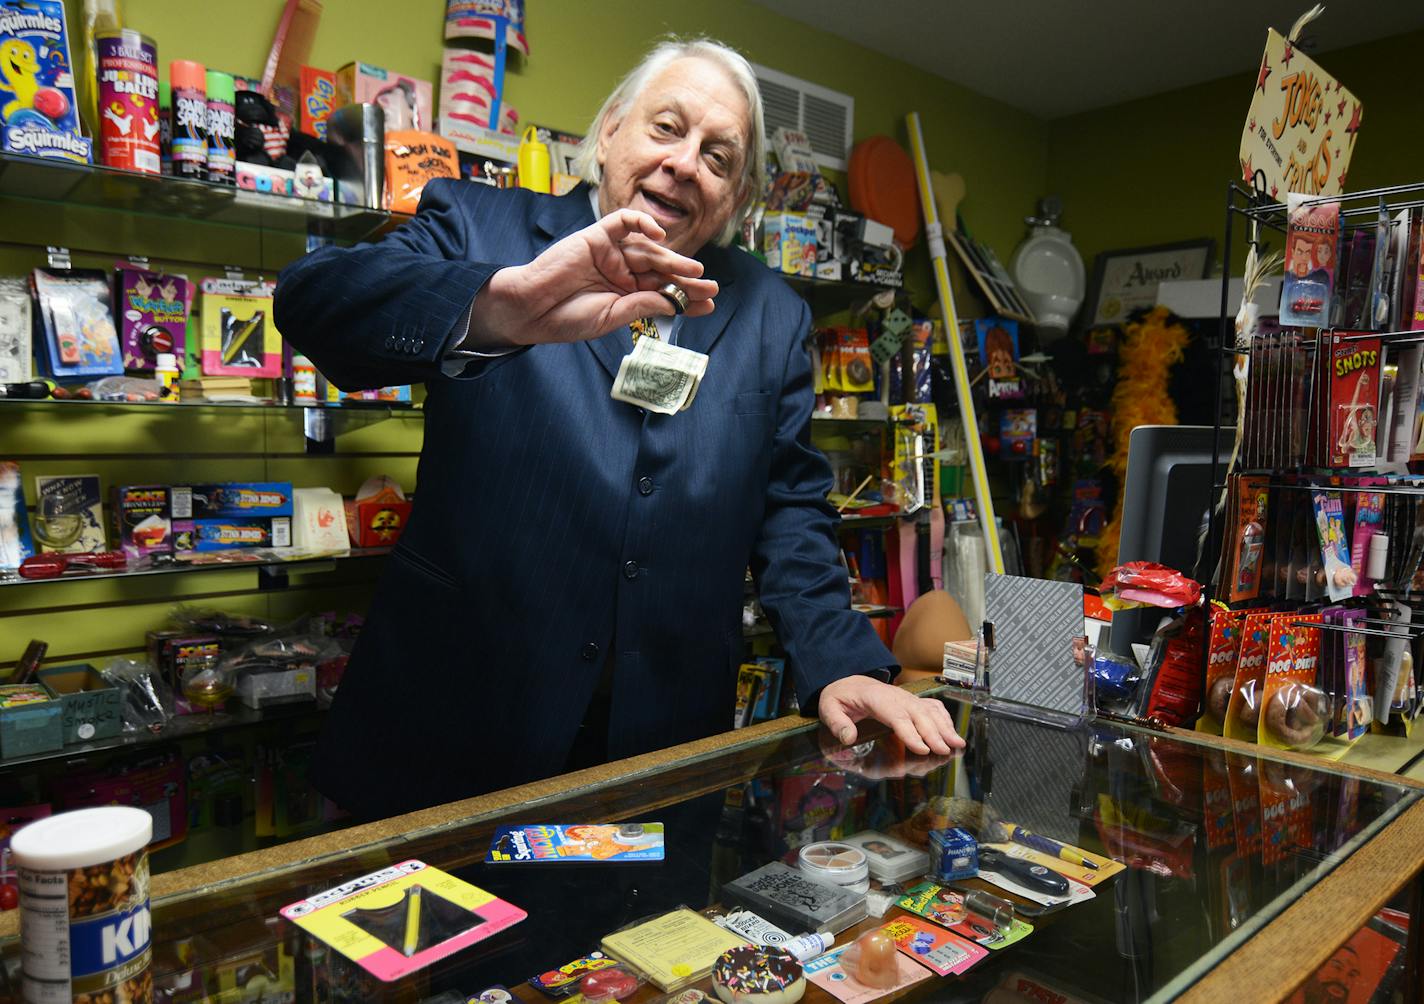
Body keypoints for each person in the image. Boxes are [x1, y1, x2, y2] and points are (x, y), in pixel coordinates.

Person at [275, 37, 961, 820]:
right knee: (451, 945)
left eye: (718, 156)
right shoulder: (479, 224)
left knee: (629, 945)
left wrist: (841, 661)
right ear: (607, 132)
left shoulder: (772, 314)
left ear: (734, 197)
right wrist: (504, 306)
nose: (684, 163)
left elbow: (789, 511)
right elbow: (313, 299)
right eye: (666, 128)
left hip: (654, 760)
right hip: (452, 733)